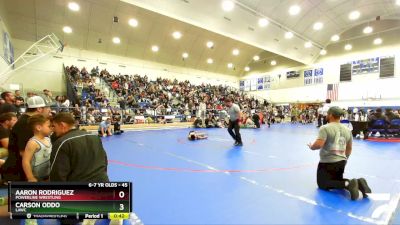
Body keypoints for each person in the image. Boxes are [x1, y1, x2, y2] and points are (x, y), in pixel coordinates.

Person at [307, 106, 371, 200]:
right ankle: (359, 182)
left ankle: (348, 183)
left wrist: (311, 147)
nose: (326, 116)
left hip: (327, 162)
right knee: (336, 180)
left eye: (327, 114)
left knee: (322, 184)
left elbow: (319, 145)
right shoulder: (347, 130)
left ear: (331, 115)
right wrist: (345, 160)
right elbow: (349, 148)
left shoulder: (325, 128)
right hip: (341, 162)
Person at [1, 96, 50, 182]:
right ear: (39, 109)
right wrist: (31, 176)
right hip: (18, 174)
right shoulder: (26, 124)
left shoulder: (28, 121)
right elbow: (24, 154)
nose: (49, 110)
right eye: (47, 107)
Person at [50, 112, 109, 182]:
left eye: (54, 126)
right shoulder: (94, 137)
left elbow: (58, 174)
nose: (53, 130)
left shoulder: (62, 142)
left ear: (62, 125)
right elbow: (104, 161)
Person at [22, 115, 52, 182]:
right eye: (49, 126)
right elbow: (25, 161)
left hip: (47, 175)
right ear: (39, 128)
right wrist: (30, 177)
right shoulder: (33, 142)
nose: (51, 128)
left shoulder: (48, 139)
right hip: (36, 177)